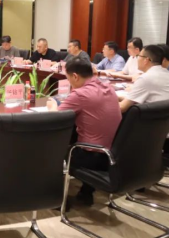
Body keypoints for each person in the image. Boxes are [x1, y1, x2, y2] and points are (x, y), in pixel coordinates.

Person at [47, 57, 122, 205]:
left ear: (75, 76)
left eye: (68, 78)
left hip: (90, 156)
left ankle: (56, 200)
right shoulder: (108, 88)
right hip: (113, 154)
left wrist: (52, 106)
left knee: (50, 151)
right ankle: (86, 193)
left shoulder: (80, 94)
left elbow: (56, 119)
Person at [118, 45, 169, 130]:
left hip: (157, 129)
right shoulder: (166, 73)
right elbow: (134, 100)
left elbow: (121, 108)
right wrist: (115, 97)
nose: (137, 59)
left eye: (139, 56)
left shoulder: (146, 78)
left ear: (146, 60)